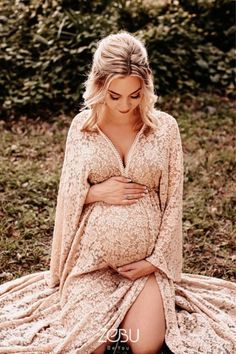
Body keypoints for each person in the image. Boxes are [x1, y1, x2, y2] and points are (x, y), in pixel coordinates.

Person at [0, 31, 235, 354]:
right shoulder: (82, 128)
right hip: (91, 263)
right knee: (89, 345)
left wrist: (154, 262)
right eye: (115, 96)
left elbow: (173, 202)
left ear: (146, 88)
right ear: (98, 87)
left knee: (145, 345)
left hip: (145, 265)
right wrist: (95, 193)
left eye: (135, 95)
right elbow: (67, 196)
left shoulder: (164, 128)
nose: (126, 105)